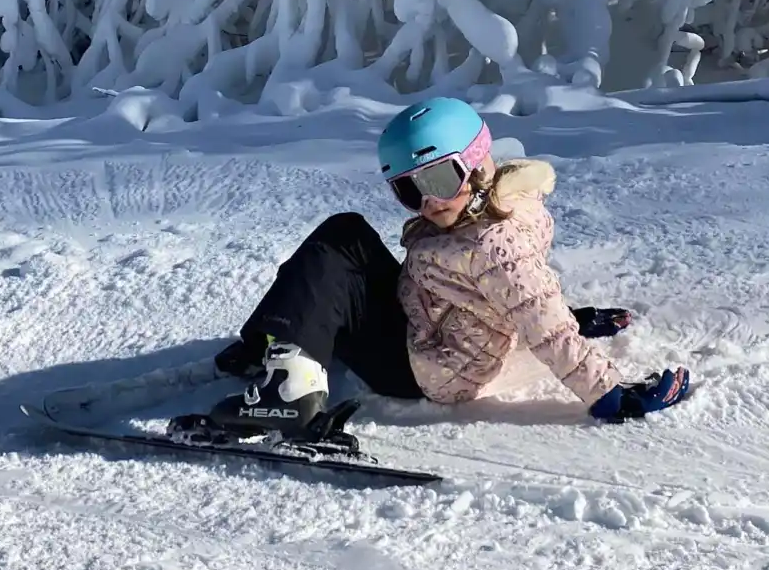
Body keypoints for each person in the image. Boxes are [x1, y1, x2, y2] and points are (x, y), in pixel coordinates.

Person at [207, 97, 690, 435]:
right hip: (427, 318)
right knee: (347, 234)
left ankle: (289, 398)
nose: (429, 201)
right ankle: (275, 345)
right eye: (409, 190)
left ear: (478, 165)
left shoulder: (494, 242)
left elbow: (538, 314)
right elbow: (514, 299)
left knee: (334, 252)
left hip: (425, 369)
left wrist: (607, 394)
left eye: (439, 176)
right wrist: (574, 315)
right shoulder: (495, 206)